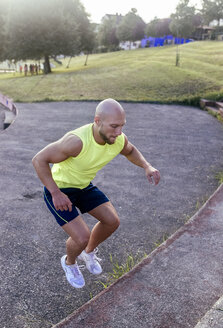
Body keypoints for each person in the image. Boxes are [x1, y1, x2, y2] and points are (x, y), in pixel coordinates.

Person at [32, 99, 160, 289]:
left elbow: (130, 150)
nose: (118, 132)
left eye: (122, 126)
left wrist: (146, 166)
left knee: (112, 221)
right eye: (114, 126)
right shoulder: (76, 142)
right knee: (82, 237)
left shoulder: (117, 139)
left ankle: (88, 253)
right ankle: (70, 262)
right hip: (60, 188)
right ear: (97, 120)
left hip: (83, 186)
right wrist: (55, 193)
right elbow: (39, 159)